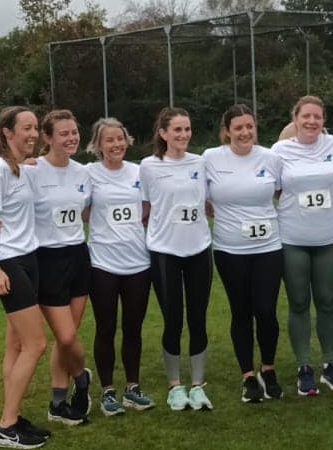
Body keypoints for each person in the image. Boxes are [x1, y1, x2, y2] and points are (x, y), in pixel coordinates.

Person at [0, 106, 49, 450]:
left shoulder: (23, 168)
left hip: (29, 259)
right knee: (36, 344)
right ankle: (5, 426)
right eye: (26, 128)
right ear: (8, 132)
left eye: (36, 128)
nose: (33, 134)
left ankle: (13, 417)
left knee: (16, 345)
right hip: (8, 264)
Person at [204, 104, 284, 404]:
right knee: (241, 311)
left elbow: (278, 192)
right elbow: (202, 197)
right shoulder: (211, 158)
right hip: (230, 249)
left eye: (249, 126)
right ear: (227, 131)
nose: (245, 132)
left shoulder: (271, 158)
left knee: (266, 310)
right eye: (238, 128)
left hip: (268, 247)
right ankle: (248, 375)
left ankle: (268, 368)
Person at [270, 95, 333, 397]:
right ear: (295, 119)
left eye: (317, 116)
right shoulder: (280, 151)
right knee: (299, 302)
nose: (312, 121)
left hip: (328, 239)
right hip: (292, 239)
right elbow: (269, 187)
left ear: (323, 120)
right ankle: (304, 367)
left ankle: (330, 365)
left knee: (327, 302)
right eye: (306, 116)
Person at [140, 107, 213, 410]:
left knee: (198, 318)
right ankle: (175, 386)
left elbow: (209, 201)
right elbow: (144, 209)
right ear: (163, 133)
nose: (184, 135)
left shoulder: (201, 162)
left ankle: (197, 385)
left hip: (199, 250)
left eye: (187, 129)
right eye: (177, 130)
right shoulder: (148, 166)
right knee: (173, 320)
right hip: (165, 252)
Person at [26, 110, 93, 427]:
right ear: (48, 137)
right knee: (64, 337)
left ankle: (57, 402)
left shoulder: (83, 173)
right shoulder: (32, 170)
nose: (71, 138)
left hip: (78, 256)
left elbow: (88, 212)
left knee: (69, 336)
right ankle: (81, 377)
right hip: (46, 259)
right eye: (64, 133)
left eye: (74, 132)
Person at [84, 117, 153, 415]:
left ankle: (133, 388)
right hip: (103, 264)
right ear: (98, 145)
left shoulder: (139, 171)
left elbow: (148, 208)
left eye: (120, 138)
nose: (116, 144)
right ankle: (108, 391)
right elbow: (82, 210)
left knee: (133, 328)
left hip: (139, 262)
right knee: (106, 327)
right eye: (109, 140)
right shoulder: (89, 173)